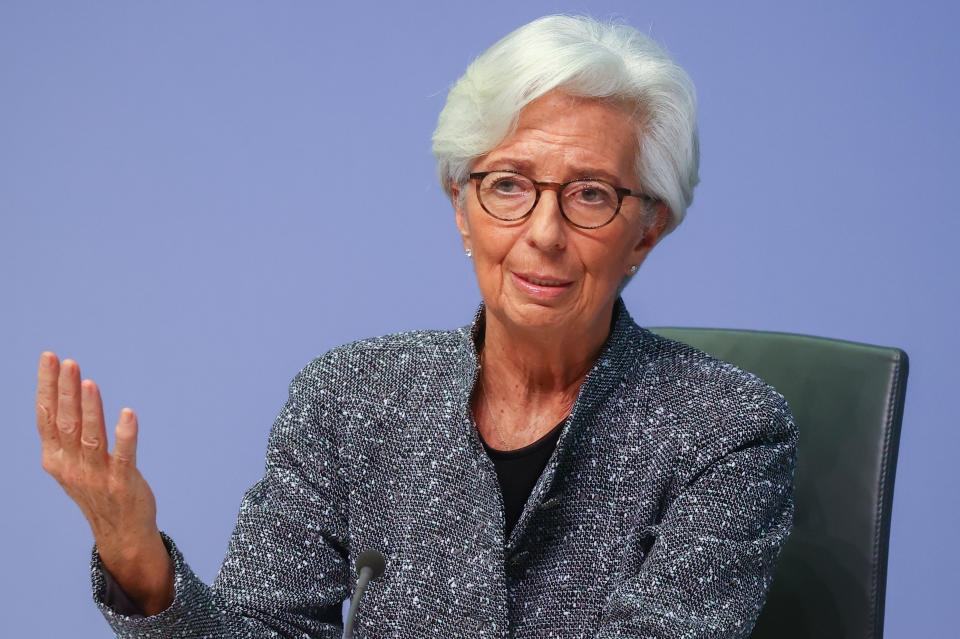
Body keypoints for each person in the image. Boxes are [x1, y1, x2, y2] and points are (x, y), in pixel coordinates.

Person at [35, 14, 797, 639]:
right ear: (461, 207)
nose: (544, 232)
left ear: (646, 232)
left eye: (590, 194)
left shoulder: (726, 429)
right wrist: (140, 562)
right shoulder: (350, 394)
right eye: (508, 185)